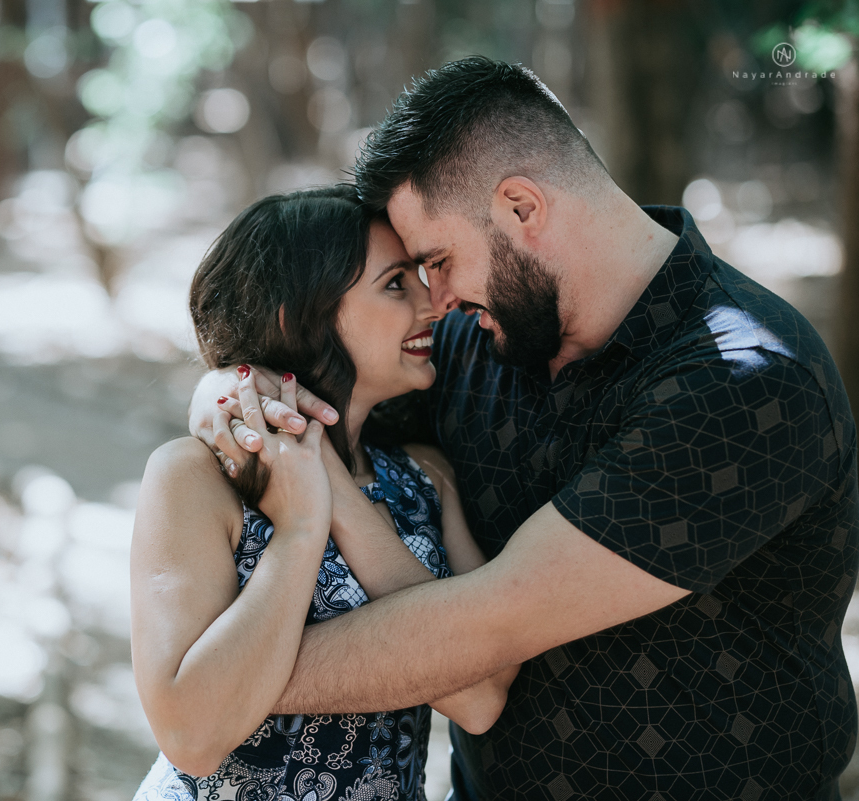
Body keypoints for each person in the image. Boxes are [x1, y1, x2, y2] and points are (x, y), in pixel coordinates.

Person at [190, 57, 859, 800]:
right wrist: (230, 383)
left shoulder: (746, 379)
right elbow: (326, 398)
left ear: (521, 206)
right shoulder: (481, 334)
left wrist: (214, 695)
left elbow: (482, 630)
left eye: (437, 261)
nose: (433, 300)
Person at [130, 185, 519, 801]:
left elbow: (479, 696)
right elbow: (191, 736)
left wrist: (331, 488)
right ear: (297, 317)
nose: (431, 303)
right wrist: (301, 528)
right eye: (396, 284)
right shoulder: (196, 477)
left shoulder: (426, 478)